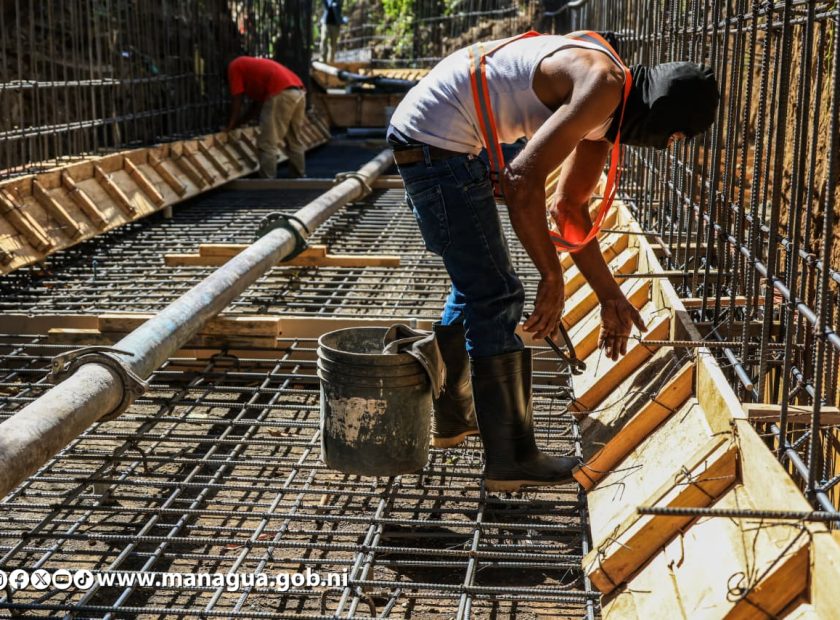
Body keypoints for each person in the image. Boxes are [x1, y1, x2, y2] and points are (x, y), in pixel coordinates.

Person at [387, 31, 718, 492]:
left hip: (438, 133)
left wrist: (609, 297)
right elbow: (521, 179)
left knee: (477, 282)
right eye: (672, 137)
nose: (665, 146)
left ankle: (454, 418)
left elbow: (569, 210)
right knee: (496, 293)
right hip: (435, 139)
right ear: (660, 115)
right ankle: (511, 460)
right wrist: (551, 275)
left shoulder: (607, 111)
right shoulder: (602, 86)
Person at [226, 56, 306, 178]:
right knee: (294, 139)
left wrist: (231, 124)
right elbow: (256, 106)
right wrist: (241, 122)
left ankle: (268, 181)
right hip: (298, 91)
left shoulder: (234, 66)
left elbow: (237, 100)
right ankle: (299, 177)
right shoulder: (251, 68)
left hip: (281, 92)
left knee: (268, 142)